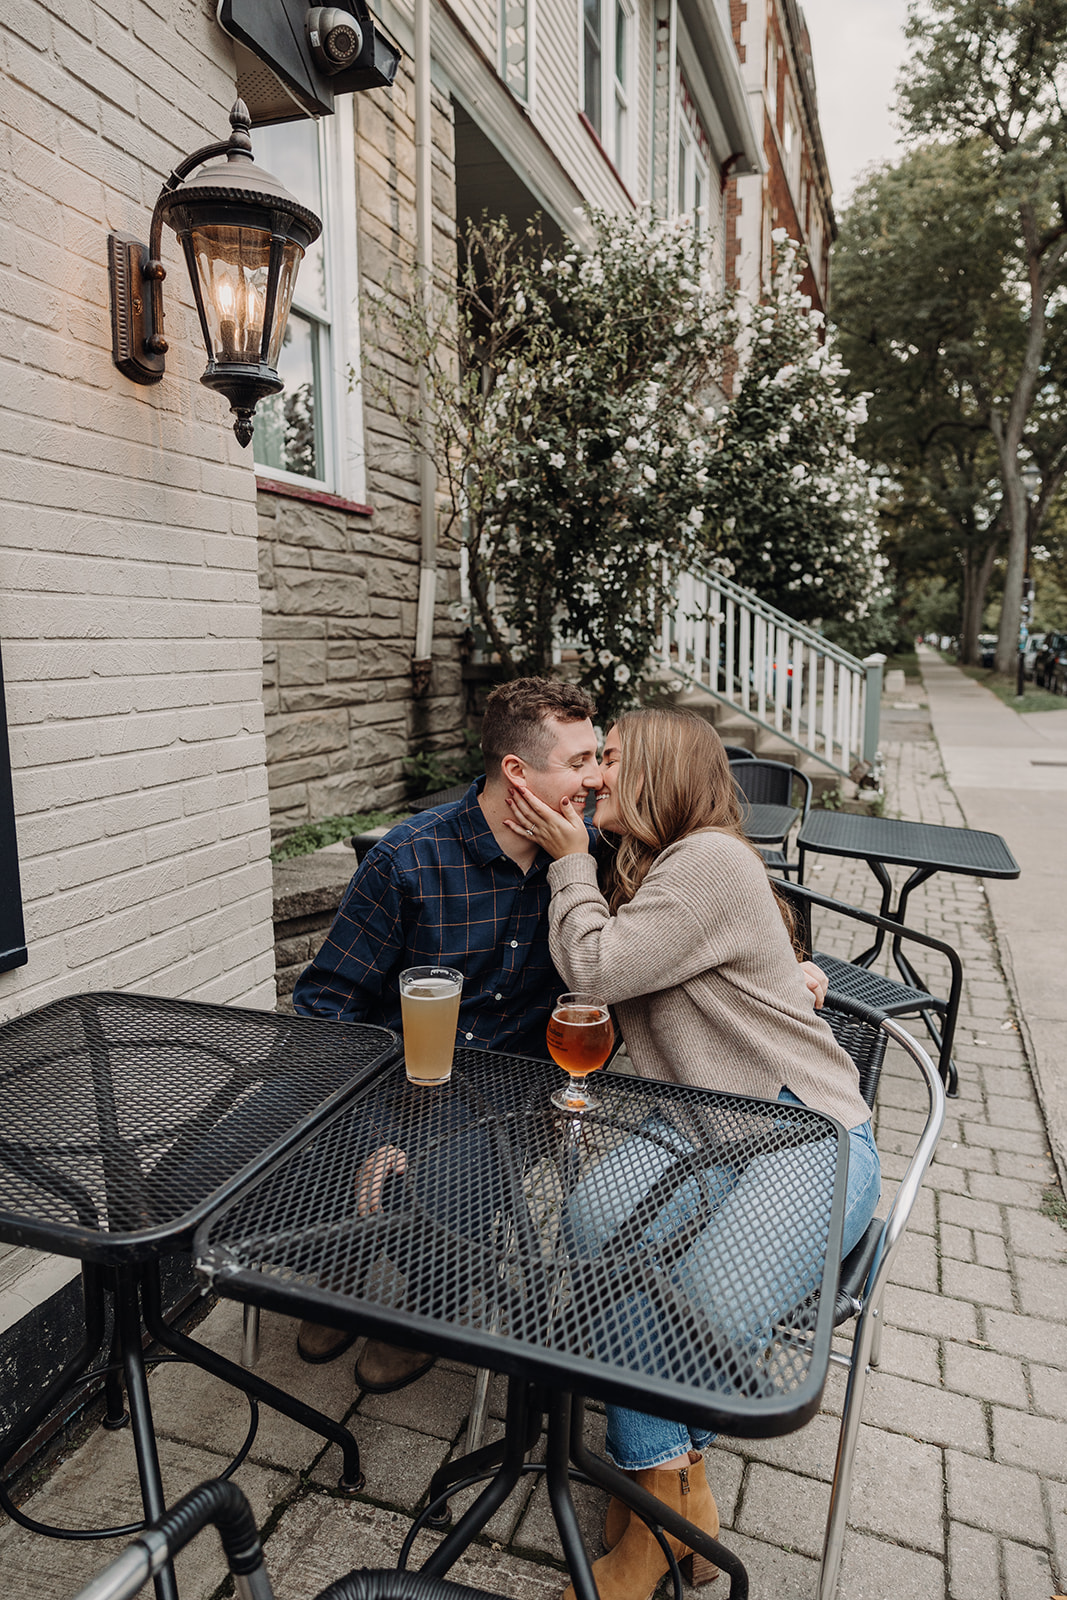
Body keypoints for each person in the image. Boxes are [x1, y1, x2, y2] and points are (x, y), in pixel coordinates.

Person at [503, 708, 880, 1600]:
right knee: (597, 1232)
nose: (593, 777)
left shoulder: (707, 858)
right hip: (699, 1123)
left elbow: (592, 971)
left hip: (804, 1129)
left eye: (611, 761)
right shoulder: (652, 867)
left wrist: (565, 859)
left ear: (661, 774)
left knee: (704, 1298)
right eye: (589, 763)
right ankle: (674, 1489)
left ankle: (662, 1514)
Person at [290, 676, 603, 1385]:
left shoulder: (594, 858)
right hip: (395, 1073)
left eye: (597, 757)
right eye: (580, 761)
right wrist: (374, 1128)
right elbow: (326, 1006)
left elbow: (708, 883)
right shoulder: (409, 858)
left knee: (441, 1191)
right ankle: (337, 1261)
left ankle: (432, 1301)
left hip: (508, 1090)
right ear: (517, 773)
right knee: (291, 1148)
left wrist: (789, 959)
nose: (596, 778)